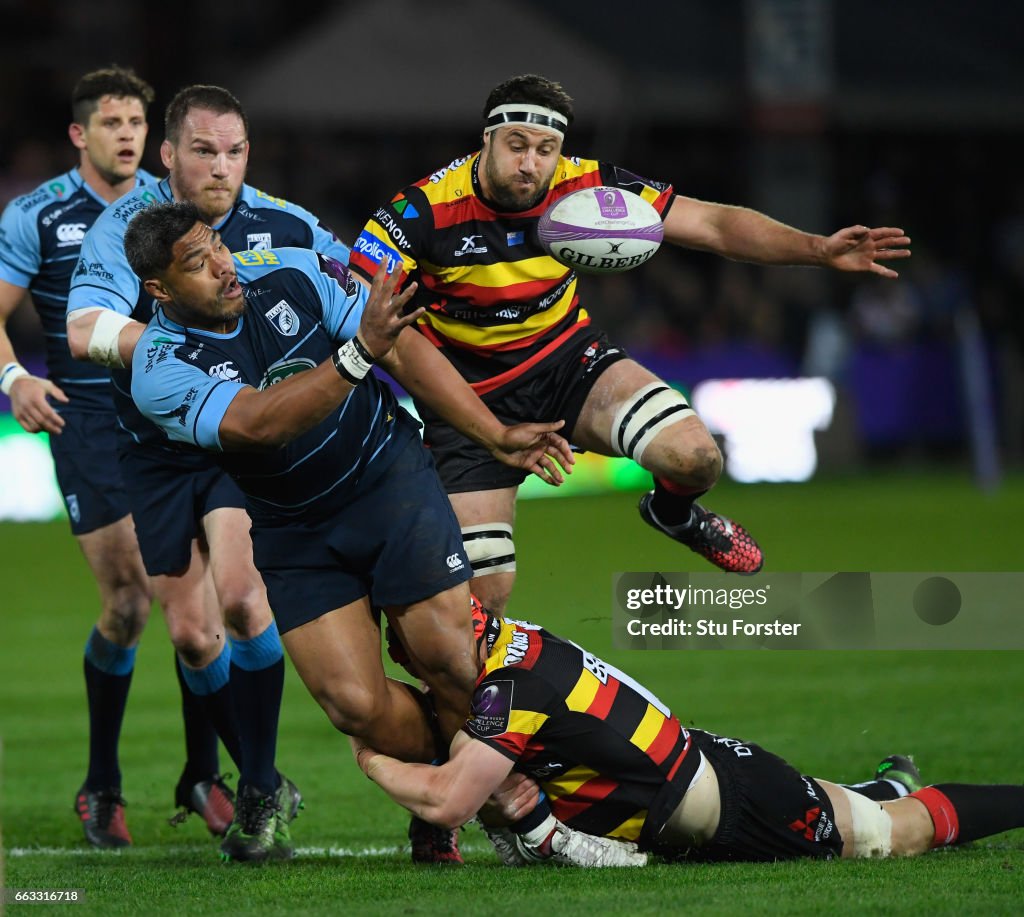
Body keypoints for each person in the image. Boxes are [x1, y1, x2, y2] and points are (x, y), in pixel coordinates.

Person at [348, 74, 912, 614]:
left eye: (545, 149)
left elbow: (712, 224)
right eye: (516, 144)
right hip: (467, 401)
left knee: (696, 459)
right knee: (479, 603)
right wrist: (488, 429)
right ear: (487, 139)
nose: (530, 163)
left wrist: (817, 249)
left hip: (570, 363)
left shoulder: (587, 185)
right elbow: (377, 330)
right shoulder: (418, 212)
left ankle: (674, 514)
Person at [121, 201, 573, 861]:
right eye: (196, 262)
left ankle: (459, 809)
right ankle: (463, 770)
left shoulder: (293, 272)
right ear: (159, 289)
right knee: (355, 706)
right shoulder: (158, 368)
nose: (222, 265)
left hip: (388, 481)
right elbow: (257, 424)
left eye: (216, 244)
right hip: (294, 530)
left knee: (447, 657)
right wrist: (360, 352)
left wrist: (494, 432)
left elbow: (405, 348)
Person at [64, 85, 353, 862]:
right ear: (168, 154)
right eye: (202, 151)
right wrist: (167, 354)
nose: (220, 168)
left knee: (241, 598)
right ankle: (232, 773)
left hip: (235, 437)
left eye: (235, 151)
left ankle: (256, 786)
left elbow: (356, 290)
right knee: (192, 634)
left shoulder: (286, 223)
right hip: (153, 445)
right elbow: (84, 325)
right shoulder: (125, 228)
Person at [0, 66, 232, 849]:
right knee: (137, 603)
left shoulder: (177, 212)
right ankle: (102, 783)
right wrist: (13, 377)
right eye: (112, 123)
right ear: (80, 134)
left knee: (195, 613)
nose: (127, 134)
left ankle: (202, 773)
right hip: (89, 423)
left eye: (137, 122)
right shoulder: (39, 214)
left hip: (173, 415)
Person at [354, 597, 1024, 867]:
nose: (403, 658)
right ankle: (883, 781)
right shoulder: (506, 646)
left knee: (888, 833)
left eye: (405, 651)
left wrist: (368, 752)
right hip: (695, 779)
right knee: (855, 806)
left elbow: (450, 801)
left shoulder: (511, 689)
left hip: (732, 798)